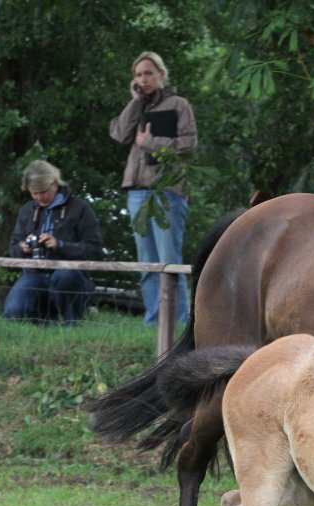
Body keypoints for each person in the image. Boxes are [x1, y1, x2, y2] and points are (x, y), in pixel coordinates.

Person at [109, 50, 198, 326]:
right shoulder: (139, 107)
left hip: (166, 191)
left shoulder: (178, 104)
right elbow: (119, 134)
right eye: (138, 75)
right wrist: (135, 103)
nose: (143, 79)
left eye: (148, 73)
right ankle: (153, 322)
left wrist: (152, 143)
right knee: (146, 264)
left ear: (161, 74)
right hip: (136, 193)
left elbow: (189, 146)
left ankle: (179, 324)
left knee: (169, 264)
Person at [4, 160, 104, 324]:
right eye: (34, 193)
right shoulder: (27, 210)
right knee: (14, 311)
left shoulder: (80, 208)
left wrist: (61, 245)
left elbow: (95, 250)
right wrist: (23, 247)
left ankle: (74, 320)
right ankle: (45, 322)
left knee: (65, 276)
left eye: (43, 191)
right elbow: (13, 247)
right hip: (34, 275)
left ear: (55, 183)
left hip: (70, 273)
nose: (39, 197)